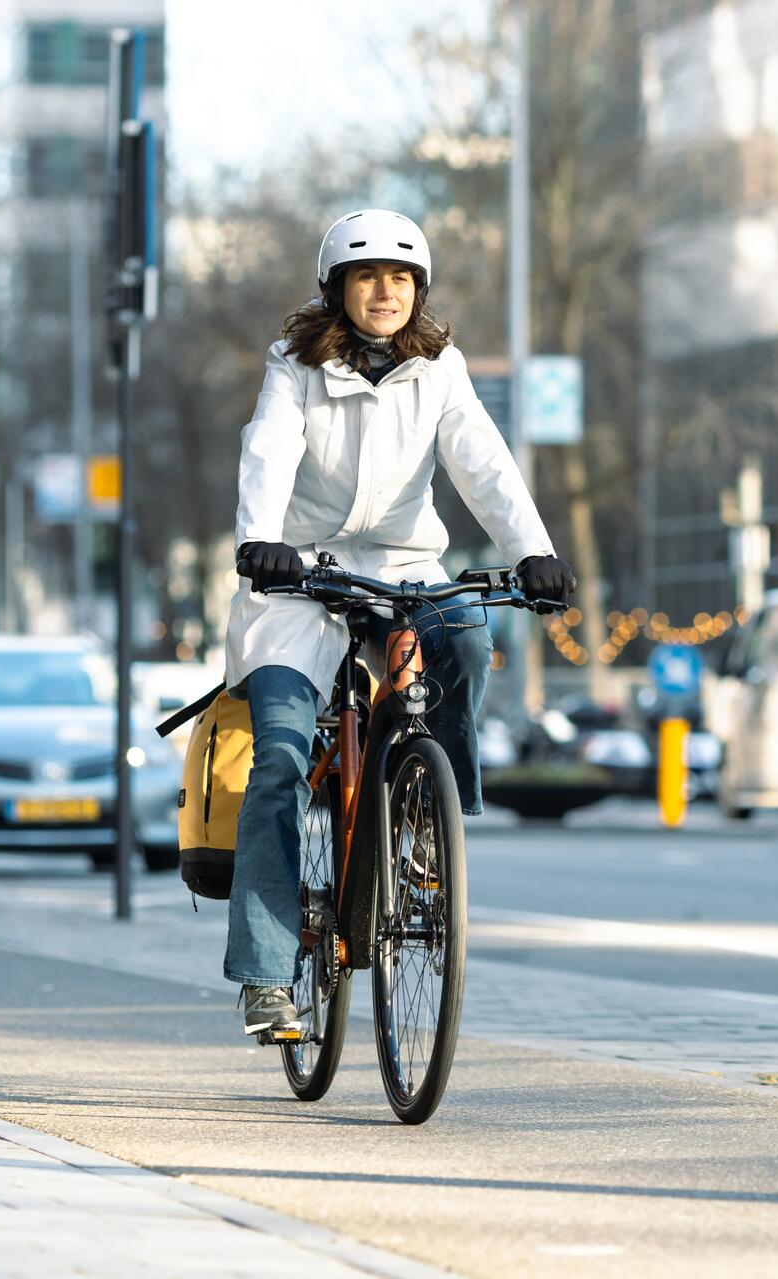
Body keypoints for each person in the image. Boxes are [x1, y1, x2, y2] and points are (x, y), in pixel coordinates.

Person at [225, 209, 575, 1037]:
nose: (384, 291)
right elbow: (268, 450)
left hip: (402, 568)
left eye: (400, 277)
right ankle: (269, 974)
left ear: (418, 291)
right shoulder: (294, 366)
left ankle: (425, 814)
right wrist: (259, 542)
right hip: (298, 575)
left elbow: (482, 460)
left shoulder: (438, 369)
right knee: (278, 753)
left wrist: (535, 550)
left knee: (466, 634)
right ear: (337, 289)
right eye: (366, 276)